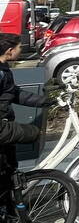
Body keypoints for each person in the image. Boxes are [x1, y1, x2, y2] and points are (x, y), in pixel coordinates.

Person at [0, 34, 48, 185]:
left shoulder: (3, 68)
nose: (21, 50)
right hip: (3, 128)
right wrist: (33, 132)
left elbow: (13, 93)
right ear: (9, 51)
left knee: (9, 171)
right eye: (19, 47)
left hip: (5, 127)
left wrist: (45, 101)